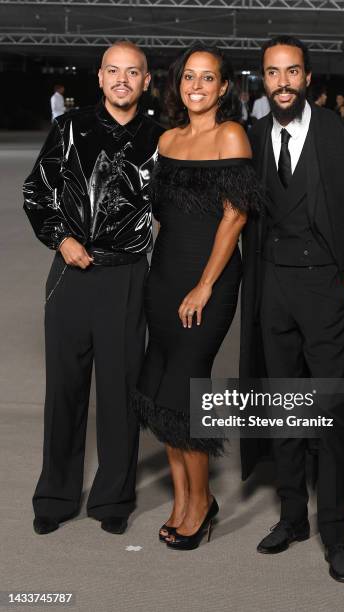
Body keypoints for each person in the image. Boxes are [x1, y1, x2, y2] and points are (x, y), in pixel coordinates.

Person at [239, 36, 344, 582]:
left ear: (308, 78)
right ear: (262, 79)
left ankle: (334, 531)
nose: (282, 82)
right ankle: (291, 517)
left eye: (292, 72)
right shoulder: (251, 138)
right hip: (272, 290)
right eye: (272, 73)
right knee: (283, 409)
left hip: (328, 291)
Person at [24, 41, 163, 536]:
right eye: (113, 71)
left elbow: (173, 210)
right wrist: (60, 239)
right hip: (71, 272)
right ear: (100, 78)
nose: (122, 79)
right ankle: (56, 495)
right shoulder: (68, 128)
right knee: (64, 389)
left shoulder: (160, 140)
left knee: (121, 393)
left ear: (147, 81)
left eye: (133, 72)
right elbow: (35, 192)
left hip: (127, 276)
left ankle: (113, 500)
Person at [132, 42, 263, 551]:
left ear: (224, 87)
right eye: (190, 77)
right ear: (177, 84)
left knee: (187, 391)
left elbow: (236, 217)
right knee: (160, 388)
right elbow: (161, 213)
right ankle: (182, 500)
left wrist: (206, 284)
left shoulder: (231, 135)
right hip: (163, 276)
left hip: (207, 280)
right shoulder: (167, 139)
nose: (197, 87)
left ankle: (202, 503)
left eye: (208, 78)